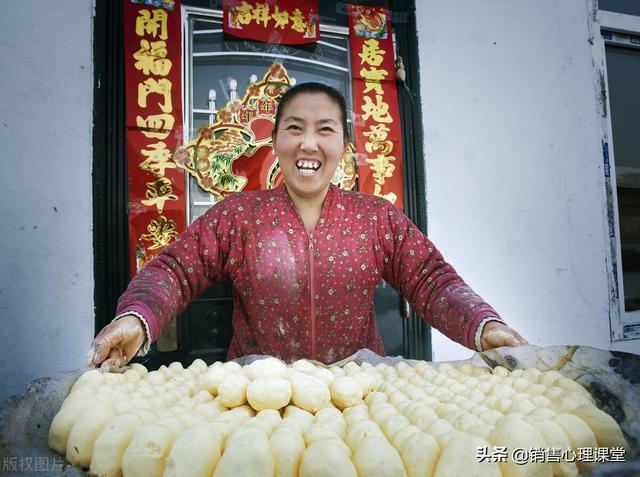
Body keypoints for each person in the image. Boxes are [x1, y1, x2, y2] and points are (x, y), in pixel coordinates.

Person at [89, 82, 527, 368]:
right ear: (277, 140)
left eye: (325, 130)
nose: (309, 143)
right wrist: (137, 318)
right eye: (295, 128)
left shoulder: (376, 218)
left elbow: (432, 281)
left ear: (344, 146)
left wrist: (484, 325)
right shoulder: (238, 215)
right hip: (256, 402)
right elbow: (174, 270)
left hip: (356, 398)